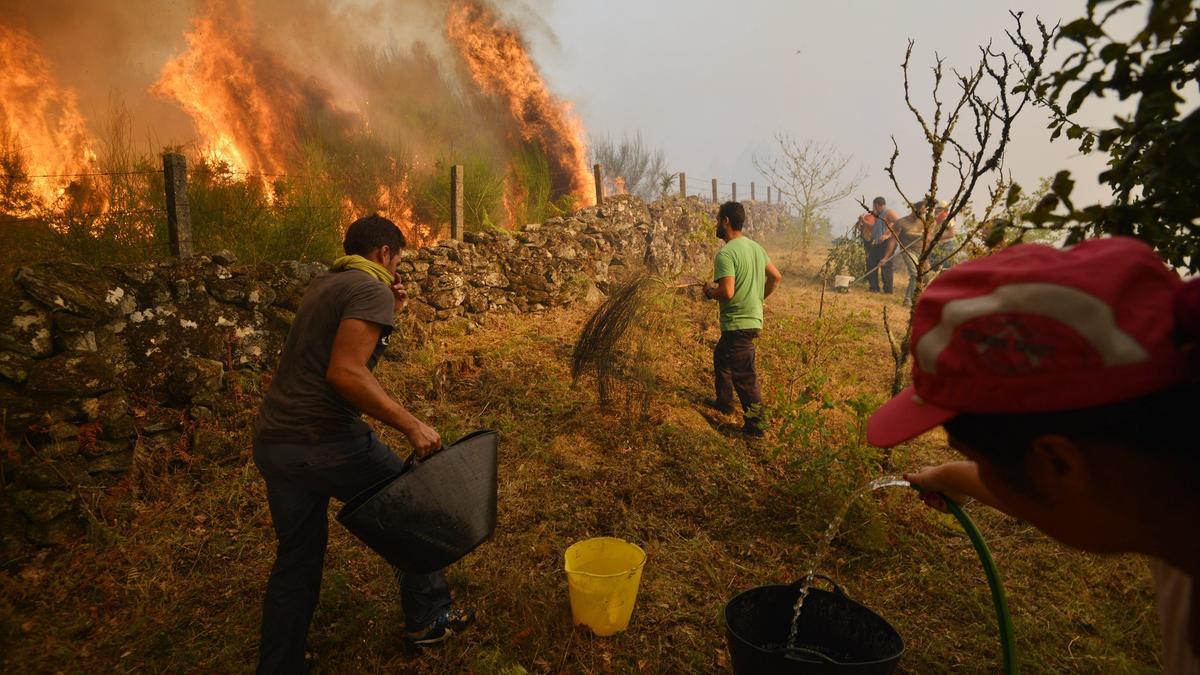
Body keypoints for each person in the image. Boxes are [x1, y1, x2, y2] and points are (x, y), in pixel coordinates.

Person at [866, 237, 1200, 674]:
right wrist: (952, 475)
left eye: (983, 461)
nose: (984, 471)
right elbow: (1078, 492)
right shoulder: (1170, 482)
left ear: (1058, 464)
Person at [252, 215, 474, 673]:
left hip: (277, 441)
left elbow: (336, 353)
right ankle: (430, 618)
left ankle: (280, 665)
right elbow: (346, 374)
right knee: (414, 510)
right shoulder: (370, 289)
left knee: (297, 558)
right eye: (397, 263)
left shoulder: (325, 284)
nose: (397, 275)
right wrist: (412, 425)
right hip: (326, 439)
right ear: (382, 254)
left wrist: (386, 308)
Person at [702, 201, 783, 438]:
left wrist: (710, 293)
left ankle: (756, 430)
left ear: (726, 221)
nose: (716, 224)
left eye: (718, 219)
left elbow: (726, 292)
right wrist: (758, 299)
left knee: (745, 377)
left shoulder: (726, 253)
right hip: (750, 319)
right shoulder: (755, 248)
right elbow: (776, 277)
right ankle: (724, 404)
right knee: (722, 357)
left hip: (738, 323)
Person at [892, 199, 930, 305]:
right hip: (908, 251)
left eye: (924, 213)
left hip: (922, 252)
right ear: (914, 210)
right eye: (921, 212)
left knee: (926, 276)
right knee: (915, 273)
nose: (922, 214)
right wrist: (886, 256)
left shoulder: (924, 222)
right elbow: (893, 240)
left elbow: (929, 238)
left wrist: (927, 236)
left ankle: (920, 298)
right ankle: (908, 300)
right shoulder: (901, 222)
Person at [863, 199, 898, 294]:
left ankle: (888, 290)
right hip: (877, 242)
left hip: (887, 243)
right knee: (871, 263)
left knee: (886, 266)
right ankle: (874, 288)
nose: (873, 208)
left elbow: (898, 224)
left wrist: (888, 234)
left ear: (877, 205)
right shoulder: (878, 215)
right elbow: (874, 228)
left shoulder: (889, 212)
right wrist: (862, 221)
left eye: (874, 206)